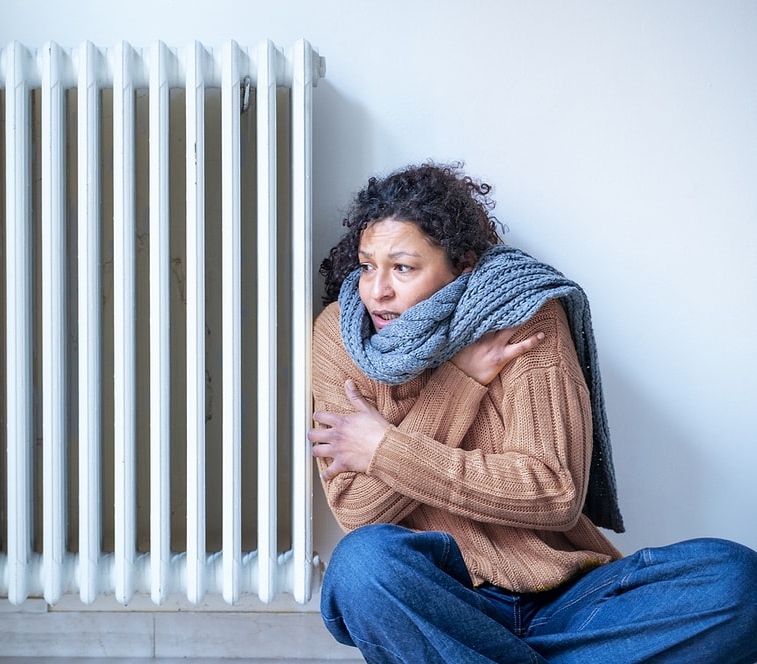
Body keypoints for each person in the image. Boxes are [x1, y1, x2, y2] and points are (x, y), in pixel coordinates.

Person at [308, 162, 757, 663]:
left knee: (738, 581)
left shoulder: (523, 313)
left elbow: (554, 491)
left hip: (568, 602)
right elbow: (357, 508)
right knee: (361, 567)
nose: (377, 290)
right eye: (368, 265)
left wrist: (384, 449)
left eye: (404, 267)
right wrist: (460, 385)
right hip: (442, 601)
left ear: (463, 264)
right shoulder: (341, 335)